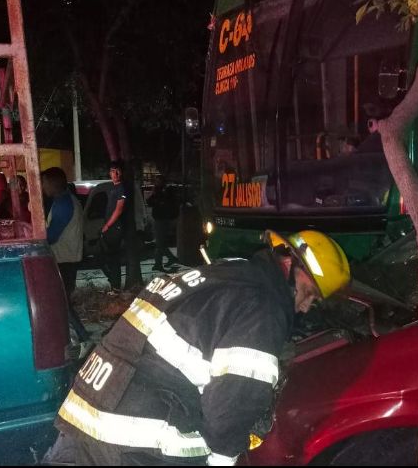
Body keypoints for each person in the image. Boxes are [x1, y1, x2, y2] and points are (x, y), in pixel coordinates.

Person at [53, 229, 351, 466]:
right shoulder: (263, 307)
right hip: (136, 444)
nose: (306, 307)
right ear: (289, 265)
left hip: (87, 417)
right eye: (309, 292)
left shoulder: (228, 273)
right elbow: (232, 406)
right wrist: (223, 461)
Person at [41, 166, 88, 341]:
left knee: (61, 304)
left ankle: (83, 338)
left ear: (53, 183)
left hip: (64, 260)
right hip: (67, 259)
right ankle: (79, 338)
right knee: (62, 303)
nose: (43, 186)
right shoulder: (65, 200)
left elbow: (51, 236)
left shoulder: (64, 204)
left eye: (44, 182)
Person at [99, 161, 127, 293]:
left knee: (113, 259)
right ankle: (114, 286)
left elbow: (119, 209)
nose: (115, 174)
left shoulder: (121, 188)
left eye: (117, 171)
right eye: (112, 171)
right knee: (108, 258)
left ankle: (115, 288)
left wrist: (107, 225)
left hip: (115, 228)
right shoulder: (113, 187)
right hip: (110, 229)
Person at [147, 175, 180, 272]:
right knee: (161, 243)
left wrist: (156, 200)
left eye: (158, 181)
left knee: (159, 243)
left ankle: (159, 263)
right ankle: (169, 259)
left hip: (162, 220)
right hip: (159, 219)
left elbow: (161, 203)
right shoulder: (158, 191)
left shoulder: (164, 192)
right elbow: (150, 201)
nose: (156, 183)